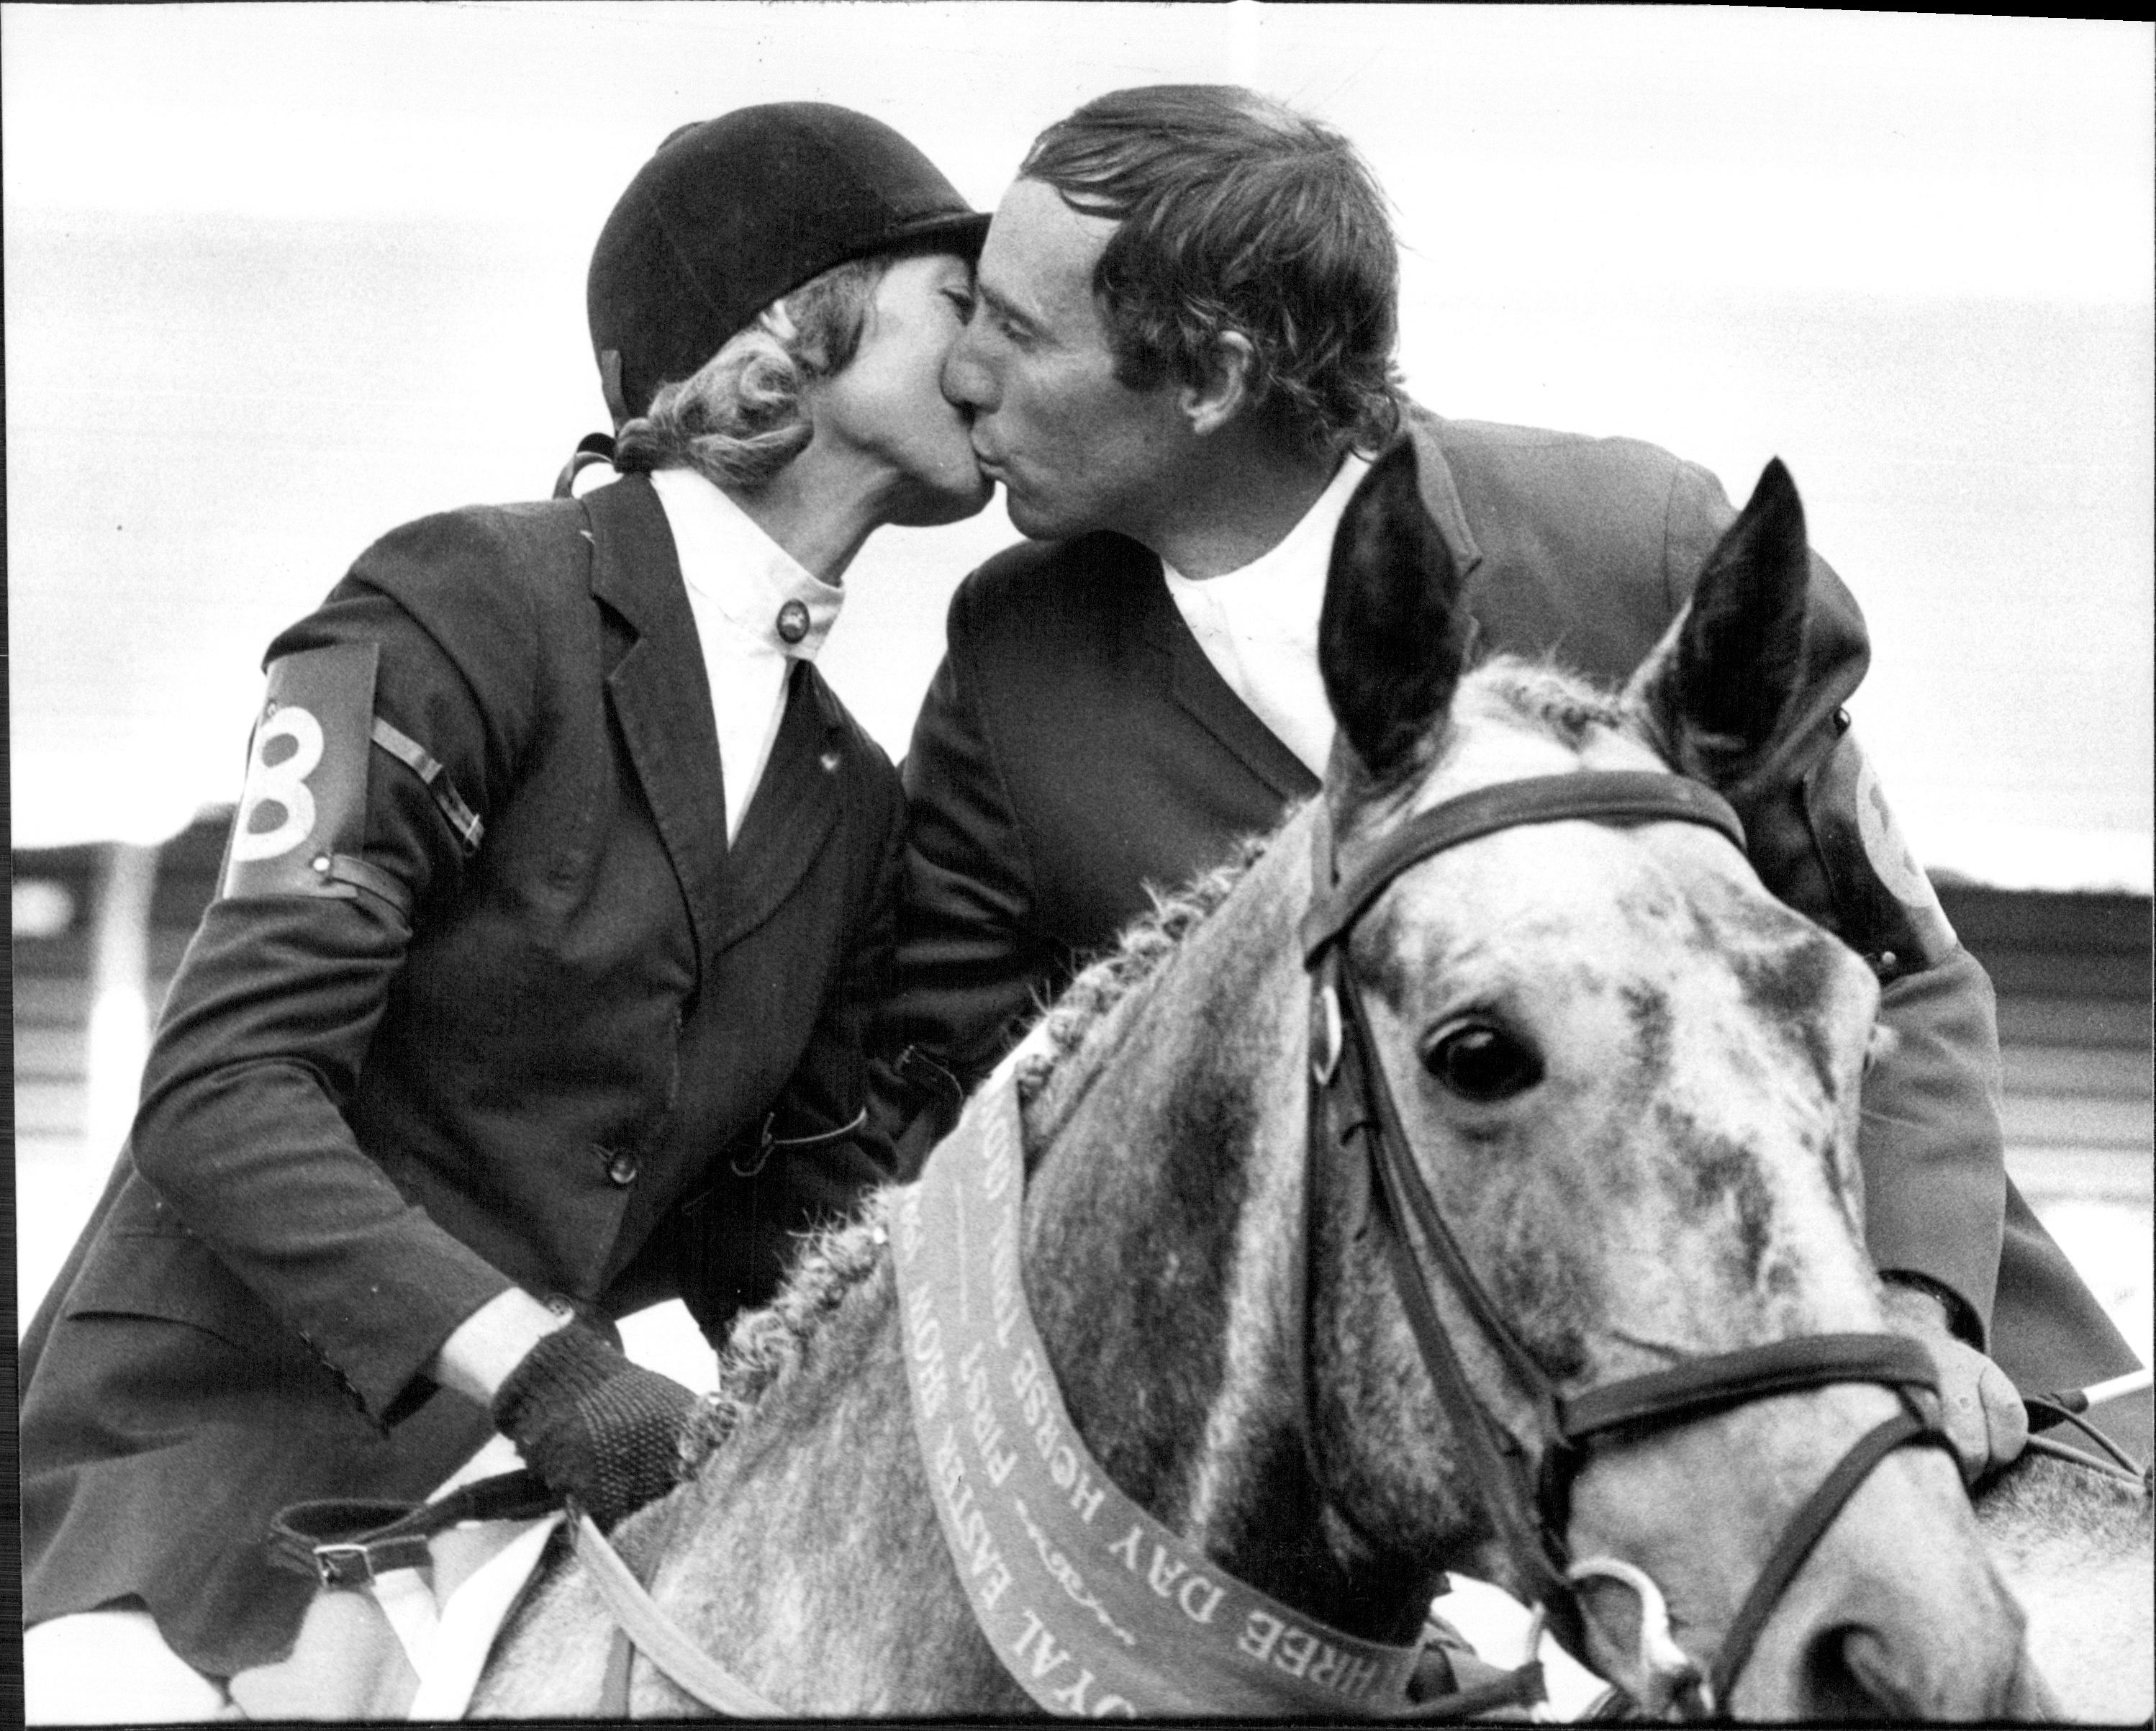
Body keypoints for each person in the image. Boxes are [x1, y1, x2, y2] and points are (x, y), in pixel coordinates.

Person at [873, 84, 2145, 1484]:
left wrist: (1905, 1307)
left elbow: (1896, 972)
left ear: (1212, 376)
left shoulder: (1640, 552)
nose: (962, 373)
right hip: (1346, 1506)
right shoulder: (1009, 658)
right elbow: (957, 1110)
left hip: (1858, 1384)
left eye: (1014, 327)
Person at [19, 102, 991, 1719]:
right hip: (179, 1501)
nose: (993, 358)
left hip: (478, 1547)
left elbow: (783, 1241)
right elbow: (222, 1095)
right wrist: (545, 1369)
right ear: (787, 330)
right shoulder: (470, 594)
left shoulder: (855, 796)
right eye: (956, 301)